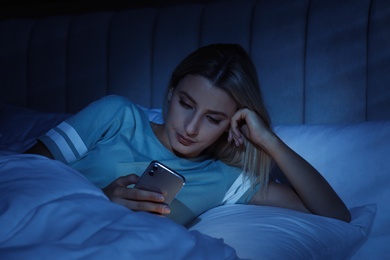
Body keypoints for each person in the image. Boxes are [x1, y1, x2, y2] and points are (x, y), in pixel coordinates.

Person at [25, 44, 351, 226]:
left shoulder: (224, 178)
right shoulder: (116, 115)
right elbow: (21, 173)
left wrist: (269, 140)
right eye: (186, 104)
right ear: (170, 91)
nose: (191, 128)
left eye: (213, 118)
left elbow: (335, 215)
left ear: (231, 124)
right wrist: (102, 200)